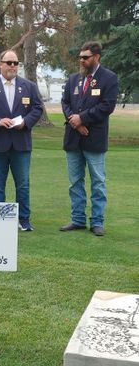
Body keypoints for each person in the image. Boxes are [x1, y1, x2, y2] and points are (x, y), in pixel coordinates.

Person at [0, 50, 43, 231]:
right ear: (0, 64)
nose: (12, 66)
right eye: (9, 62)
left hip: (21, 144)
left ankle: (24, 219)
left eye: (15, 63)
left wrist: (26, 123)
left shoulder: (28, 86)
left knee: (23, 185)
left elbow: (37, 108)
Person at [60, 41, 118, 236]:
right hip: (73, 139)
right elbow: (65, 102)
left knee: (98, 182)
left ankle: (97, 221)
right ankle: (77, 219)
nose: (82, 60)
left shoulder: (109, 78)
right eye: (80, 57)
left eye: (86, 57)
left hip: (94, 139)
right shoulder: (73, 79)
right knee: (75, 182)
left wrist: (82, 119)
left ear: (97, 57)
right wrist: (75, 121)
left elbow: (107, 106)